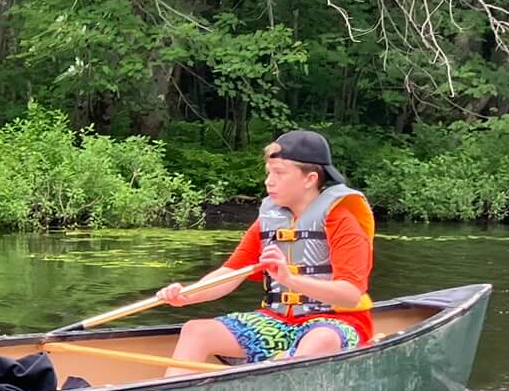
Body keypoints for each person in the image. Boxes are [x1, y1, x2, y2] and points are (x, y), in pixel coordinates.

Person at [155, 129, 377, 368]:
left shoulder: (343, 221)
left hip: (336, 323)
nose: (268, 181)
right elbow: (231, 273)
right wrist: (186, 295)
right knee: (195, 331)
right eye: (269, 172)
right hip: (277, 321)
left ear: (310, 179)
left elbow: (350, 295)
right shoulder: (269, 220)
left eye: (279, 173)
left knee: (319, 340)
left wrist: (291, 280)